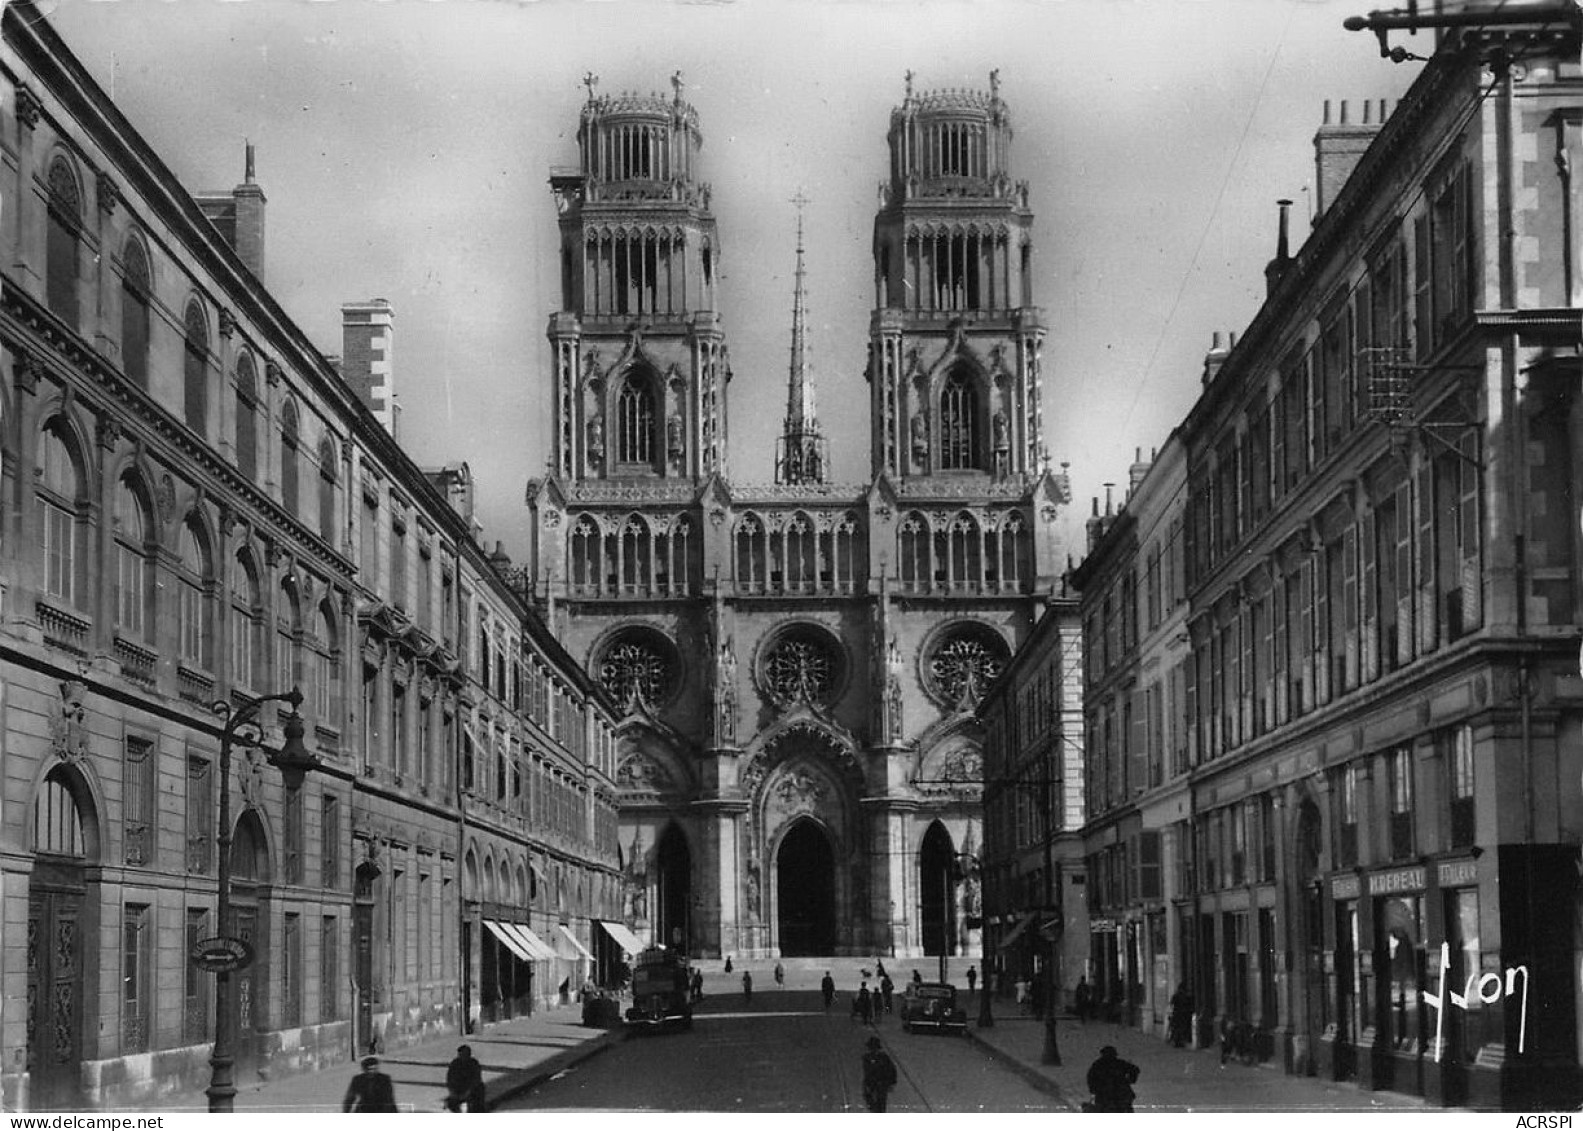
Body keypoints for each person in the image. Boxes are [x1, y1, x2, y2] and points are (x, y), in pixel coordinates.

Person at [1086, 1045, 1140, 1113]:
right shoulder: (1119, 1063)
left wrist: (1094, 1090)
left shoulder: (1098, 1065)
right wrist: (1130, 1080)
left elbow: (1090, 1079)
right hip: (1119, 1096)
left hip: (1107, 1097)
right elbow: (1135, 1070)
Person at [861, 1036, 898, 1113]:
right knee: (874, 1103)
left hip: (880, 1084)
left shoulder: (883, 1058)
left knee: (880, 1103)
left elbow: (891, 1069)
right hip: (873, 1084)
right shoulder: (867, 1058)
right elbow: (867, 1071)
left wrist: (891, 1082)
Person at [444, 1044, 486, 1113]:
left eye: (464, 1054)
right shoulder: (455, 1064)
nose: (462, 1056)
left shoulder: (474, 1063)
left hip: (471, 1091)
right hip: (458, 1090)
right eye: (460, 1054)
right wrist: (452, 1092)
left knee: (479, 1092)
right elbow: (449, 1079)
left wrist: (467, 1092)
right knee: (451, 1104)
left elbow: (476, 1080)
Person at [1168, 982, 1194, 1048]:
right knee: (1182, 1028)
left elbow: (1171, 1004)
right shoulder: (1186, 996)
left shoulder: (1176, 995)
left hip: (1176, 1014)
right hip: (1184, 1014)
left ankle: (1177, 1042)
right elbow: (1189, 1005)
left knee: (1176, 1028)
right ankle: (1181, 1041)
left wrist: (1171, 1013)